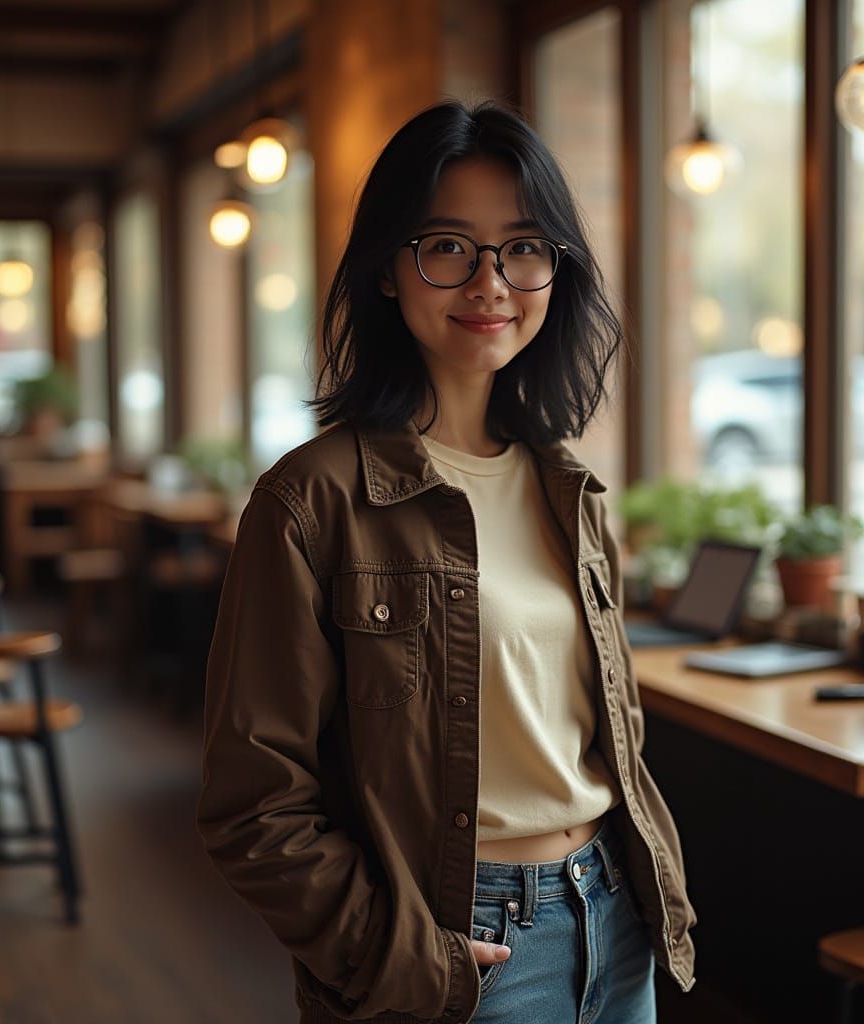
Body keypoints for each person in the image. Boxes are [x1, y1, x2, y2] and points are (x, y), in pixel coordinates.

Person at [197, 99, 697, 1024]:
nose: (490, 283)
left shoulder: (569, 489)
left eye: (523, 247)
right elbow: (253, 803)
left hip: (611, 918)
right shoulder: (311, 500)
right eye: (448, 246)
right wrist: (393, 955)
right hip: (455, 946)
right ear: (390, 269)